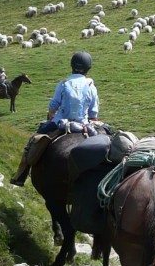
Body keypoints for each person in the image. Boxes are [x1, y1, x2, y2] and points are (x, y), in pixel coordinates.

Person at [10, 51, 101, 186]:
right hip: (83, 125)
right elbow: (93, 114)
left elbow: (53, 106)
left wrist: (52, 116)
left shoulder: (64, 84)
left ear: (72, 66)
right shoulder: (91, 86)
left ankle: (20, 175)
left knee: (33, 142)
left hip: (60, 123)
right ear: (88, 68)